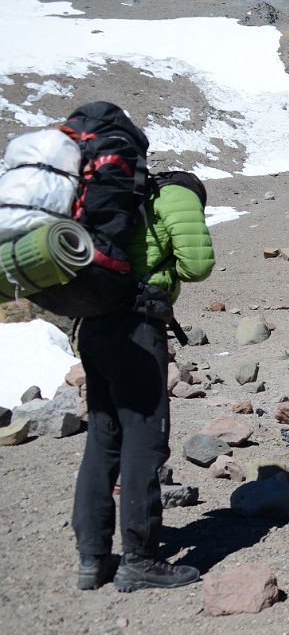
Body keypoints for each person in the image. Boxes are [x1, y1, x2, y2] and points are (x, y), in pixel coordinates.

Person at [74, 171, 214, 592]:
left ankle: (93, 557)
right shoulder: (175, 196)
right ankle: (139, 558)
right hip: (135, 329)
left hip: (93, 325)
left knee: (103, 440)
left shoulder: (115, 195)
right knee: (145, 440)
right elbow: (198, 264)